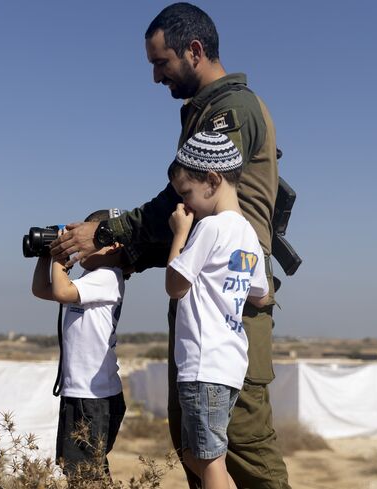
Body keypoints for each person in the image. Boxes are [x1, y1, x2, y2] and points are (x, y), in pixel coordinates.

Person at [50, 3, 290, 488]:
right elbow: (189, 224)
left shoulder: (231, 111)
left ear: (194, 50)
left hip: (226, 317)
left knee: (240, 451)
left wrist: (106, 232)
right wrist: (128, 251)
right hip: (206, 311)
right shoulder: (207, 112)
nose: (157, 77)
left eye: (162, 63)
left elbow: (176, 210)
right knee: (197, 449)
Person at [166, 131, 269, 489]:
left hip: (202, 363)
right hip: (229, 363)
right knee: (208, 459)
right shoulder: (248, 234)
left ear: (212, 181)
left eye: (186, 195)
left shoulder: (208, 227)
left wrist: (180, 233)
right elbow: (260, 295)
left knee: (206, 462)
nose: (186, 206)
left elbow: (175, 285)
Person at [31, 209, 127, 480]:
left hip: (92, 396)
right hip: (82, 393)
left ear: (114, 245)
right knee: (80, 470)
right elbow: (41, 290)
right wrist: (47, 255)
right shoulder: (91, 280)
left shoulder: (109, 275)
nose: (80, 245)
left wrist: (61, 256)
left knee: (84, 474)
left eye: (89, 238)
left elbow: (61, 291)